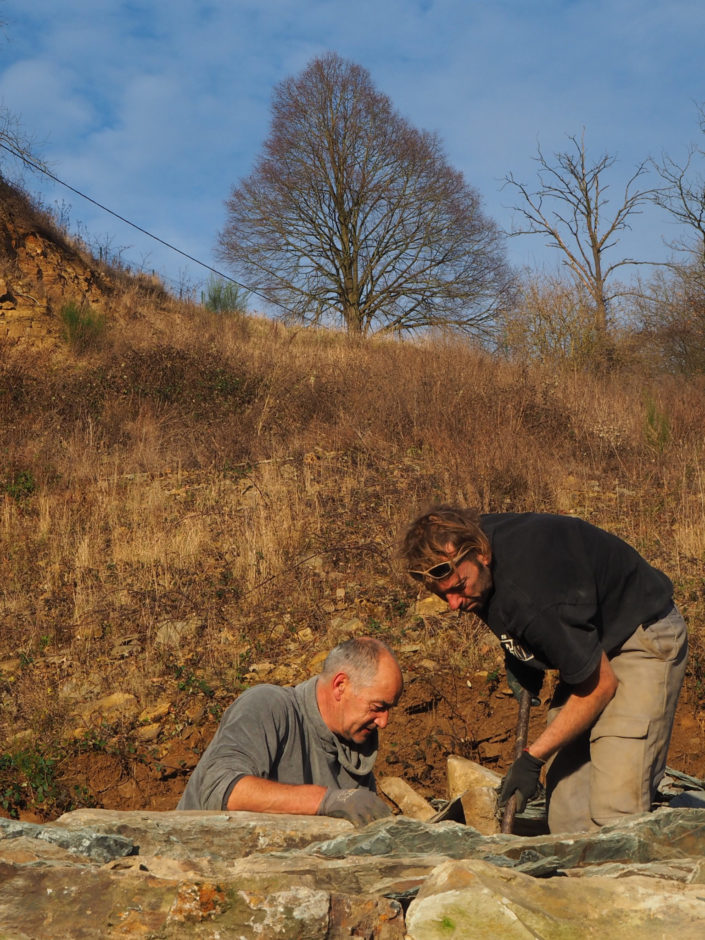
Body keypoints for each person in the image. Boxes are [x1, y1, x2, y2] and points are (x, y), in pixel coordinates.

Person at [401, 505, 687, 834]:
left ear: (481, 553)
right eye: (443, 596)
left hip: (640, 638)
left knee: (615, 811)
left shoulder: (533, 594)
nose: (453, 604)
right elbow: (510, 607)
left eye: (458, 588)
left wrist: (532, 758)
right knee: (567, 811)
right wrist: (523, 655)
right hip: (589, 638)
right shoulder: (469, 551)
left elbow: (600, 685)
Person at [176, 636, 404, 826]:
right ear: (340, 686)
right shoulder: (267, 705)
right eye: (378, 707)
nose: (384, 721)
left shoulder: (356, 748)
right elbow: (224, 791)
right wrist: (328, 800)